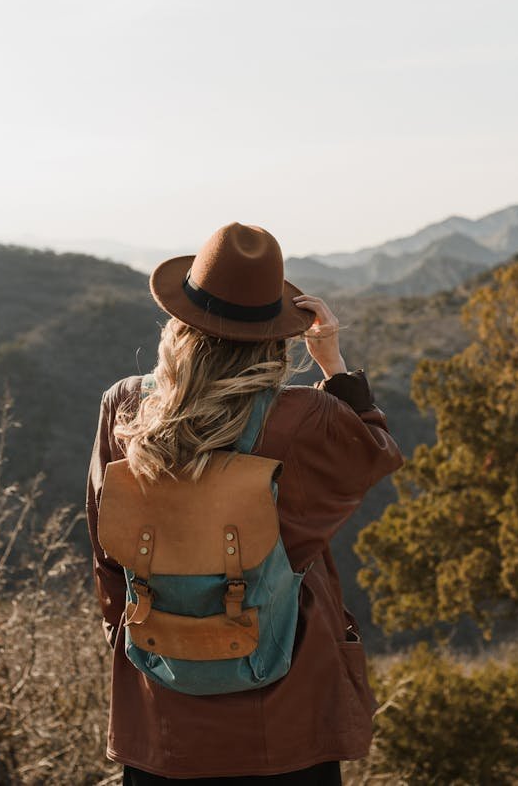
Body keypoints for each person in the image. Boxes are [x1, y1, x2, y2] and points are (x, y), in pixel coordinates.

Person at [85, 222, 405, 784]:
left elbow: (106, 550)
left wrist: (139, 639)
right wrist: (333, 362)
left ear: (180, 322)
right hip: (286, 720)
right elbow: (375, 452)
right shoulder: (306, 419)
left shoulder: (125, 408)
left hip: (161, 716)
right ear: (276, 334)